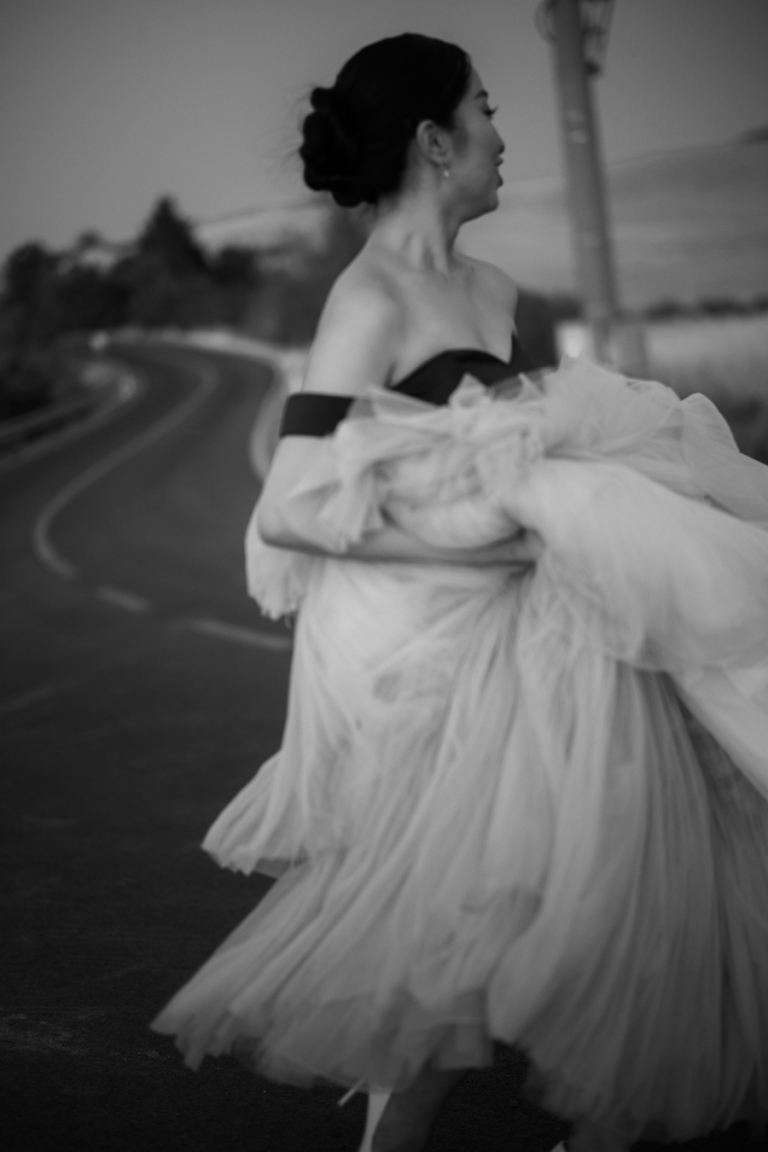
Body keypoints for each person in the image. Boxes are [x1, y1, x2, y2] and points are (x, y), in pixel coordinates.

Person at [152, 32, 768, 1152]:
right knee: (460, 964)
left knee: (620, 896)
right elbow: (290, 508)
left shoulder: (492, 288)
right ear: (437, 142)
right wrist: (484, 553)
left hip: (544, 634)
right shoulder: (367, 302)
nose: (501, 131)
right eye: (486, 107)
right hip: (435, 657)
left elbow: (496, 456)